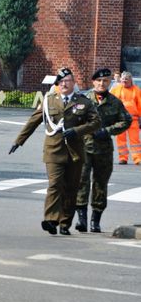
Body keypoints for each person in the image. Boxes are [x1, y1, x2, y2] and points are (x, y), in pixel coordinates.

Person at [9, 68, 100, 236]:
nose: (64, 84)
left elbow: (96, 123)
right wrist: (19, 141)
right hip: (54, 151)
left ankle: (65, 222)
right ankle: (51, 219)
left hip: (75, 152)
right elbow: (34, 121)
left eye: (68, 80)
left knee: (71, 188)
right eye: (61, 81)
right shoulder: (48, 100)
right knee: (55, 184)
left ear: (74, 83)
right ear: (57, 84)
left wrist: (77, 131)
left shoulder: (84, 102)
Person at [75, 68, 131, 233]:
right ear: (93, 82)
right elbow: (72, 119)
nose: (102, 83)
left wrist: (107, 130)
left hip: (103, 150)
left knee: (100, 184)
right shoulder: (83, 100)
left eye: (105, 81)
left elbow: (126, 120)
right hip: (84, 147)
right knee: (81, 183)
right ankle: (82, 220)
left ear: (109, 83)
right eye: (99, 81)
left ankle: (95, 221)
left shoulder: (115, 102)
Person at [110, 71, 141, 165]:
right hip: (120, 120)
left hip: (133, 120)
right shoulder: (116, 89)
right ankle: (123, 158)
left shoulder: (136, 90)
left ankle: (137, 159)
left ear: (130, 80)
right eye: (123, 79)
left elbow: (140, 105)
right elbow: (111, 103)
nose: (124, 81)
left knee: (135, 140)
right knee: (120, 140)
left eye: (126, 79)